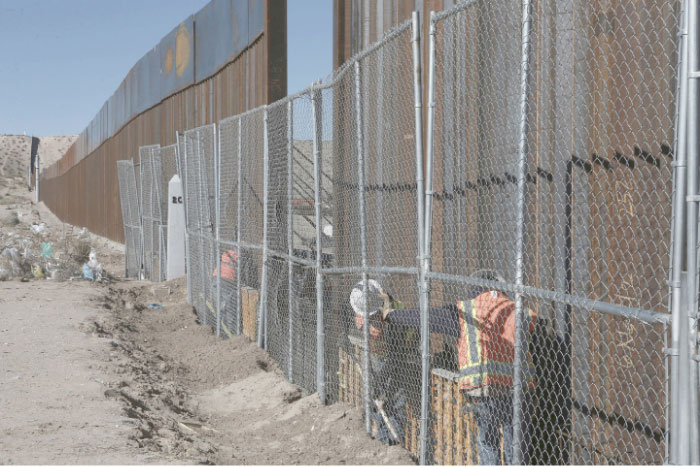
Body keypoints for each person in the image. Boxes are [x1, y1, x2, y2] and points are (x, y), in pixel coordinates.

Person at [355, 273, 536, 464]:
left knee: (487, 440)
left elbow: (426, 317)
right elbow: (532, 323)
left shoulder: (467, 311)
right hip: (517, 389)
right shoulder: (518, 310)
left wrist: (390, 315)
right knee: (515, 442)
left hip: (483, 388)